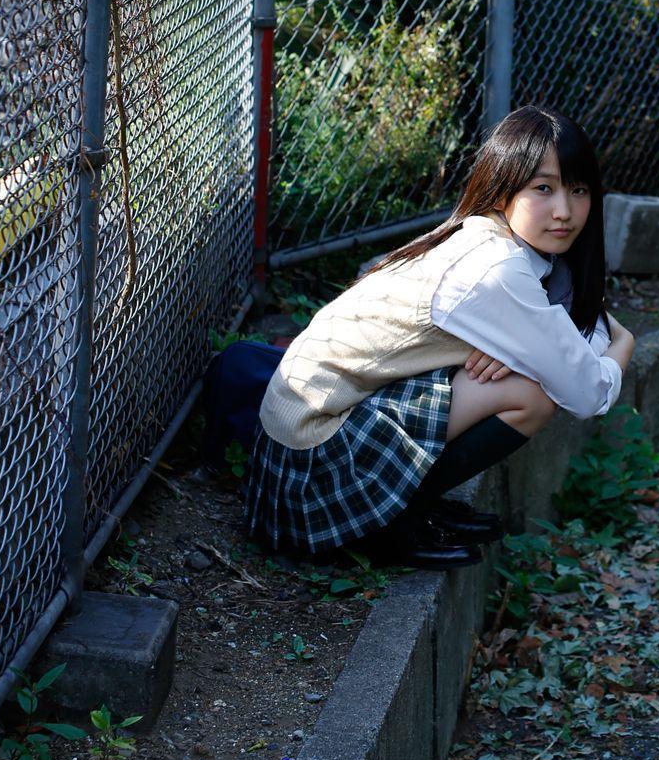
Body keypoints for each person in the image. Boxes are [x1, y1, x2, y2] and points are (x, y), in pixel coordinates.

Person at [243, 105, 635, 571]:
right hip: (313, 468)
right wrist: (625, 342)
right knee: (532, 394)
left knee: (525, 374)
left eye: (579, 190)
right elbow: (588, 392)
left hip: (300, 441)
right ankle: (390, 523)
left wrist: (532, 353)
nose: (564, 211)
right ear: (502, 187)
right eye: (543, 189)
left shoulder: (489, 237)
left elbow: (571, 333)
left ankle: (410, 504)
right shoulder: (498, 270)